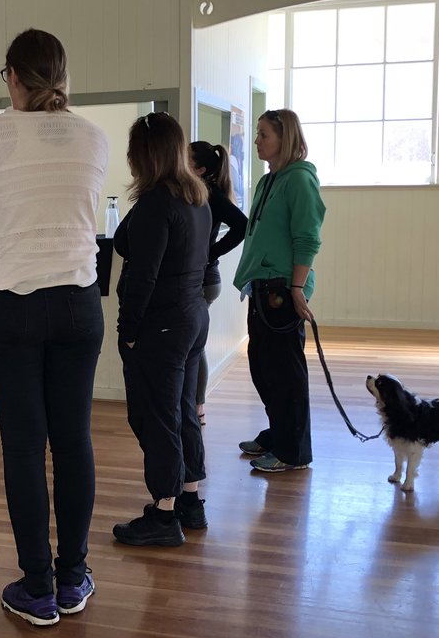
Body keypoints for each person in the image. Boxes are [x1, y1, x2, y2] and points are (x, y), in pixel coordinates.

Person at [0, 29, 109, 626]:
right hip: (77, 299)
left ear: (13, 77)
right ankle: (73, 578)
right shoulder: (93, 137)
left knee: (24, 444)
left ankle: (37, 588)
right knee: (74, 441)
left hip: (9, 304)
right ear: (62, 77)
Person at [112, 112, 211, 547]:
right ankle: (190, 499)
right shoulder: (197, 197)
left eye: (133, 150)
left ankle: (164, 514)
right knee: (183, 411)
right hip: (192, 319)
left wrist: (128, 328)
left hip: (162, 326)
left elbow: (143, 276)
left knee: (156, 418)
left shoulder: (156, 203)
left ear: (145, 154)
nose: (129, 158)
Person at [233, 109, 326, 473]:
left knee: (286, 373)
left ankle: (294, 452)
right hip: (261, 287)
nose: (256, 141)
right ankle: (279, 433)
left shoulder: (300, 180)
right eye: (257, 134)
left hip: (282, 291)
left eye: (263, 135)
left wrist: (298, 288)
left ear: (284, 139)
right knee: (264, 369)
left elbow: (308, 238)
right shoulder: (269, 180)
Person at [188, 140, 247, 426]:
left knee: (194, 347)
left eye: (185, 158)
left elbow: (242, 225)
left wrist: (210, 253)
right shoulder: (198, 190)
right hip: (204, 280)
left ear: (199, 169)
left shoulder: (208, 193)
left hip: (203, 280)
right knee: (192, 346)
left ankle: (197, 406)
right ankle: (194, 404)